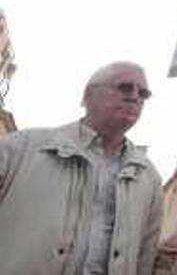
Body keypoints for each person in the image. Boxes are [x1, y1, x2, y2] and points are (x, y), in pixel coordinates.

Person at [0, 61, 163, 274]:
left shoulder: (148, 178)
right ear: (89, 95)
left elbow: (144, 258)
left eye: (143, 94)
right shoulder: (21, 149)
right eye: (124, 87)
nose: (135, 97)